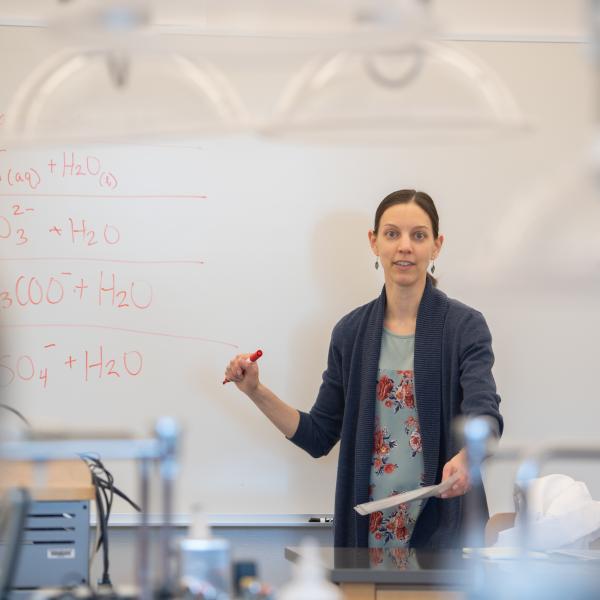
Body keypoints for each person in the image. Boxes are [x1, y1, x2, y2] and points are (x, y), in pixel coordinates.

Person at [224, 189, 503, 549]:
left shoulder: (464, 327)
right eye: (392, 234)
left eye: (418, 235)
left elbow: (486, 418)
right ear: (374, 243)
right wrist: (255, 392)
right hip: (367, 541)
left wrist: (469, 457)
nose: (405, 246)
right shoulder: (351, 333)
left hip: (444, 539)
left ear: (436, 246)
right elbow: (319, 435)